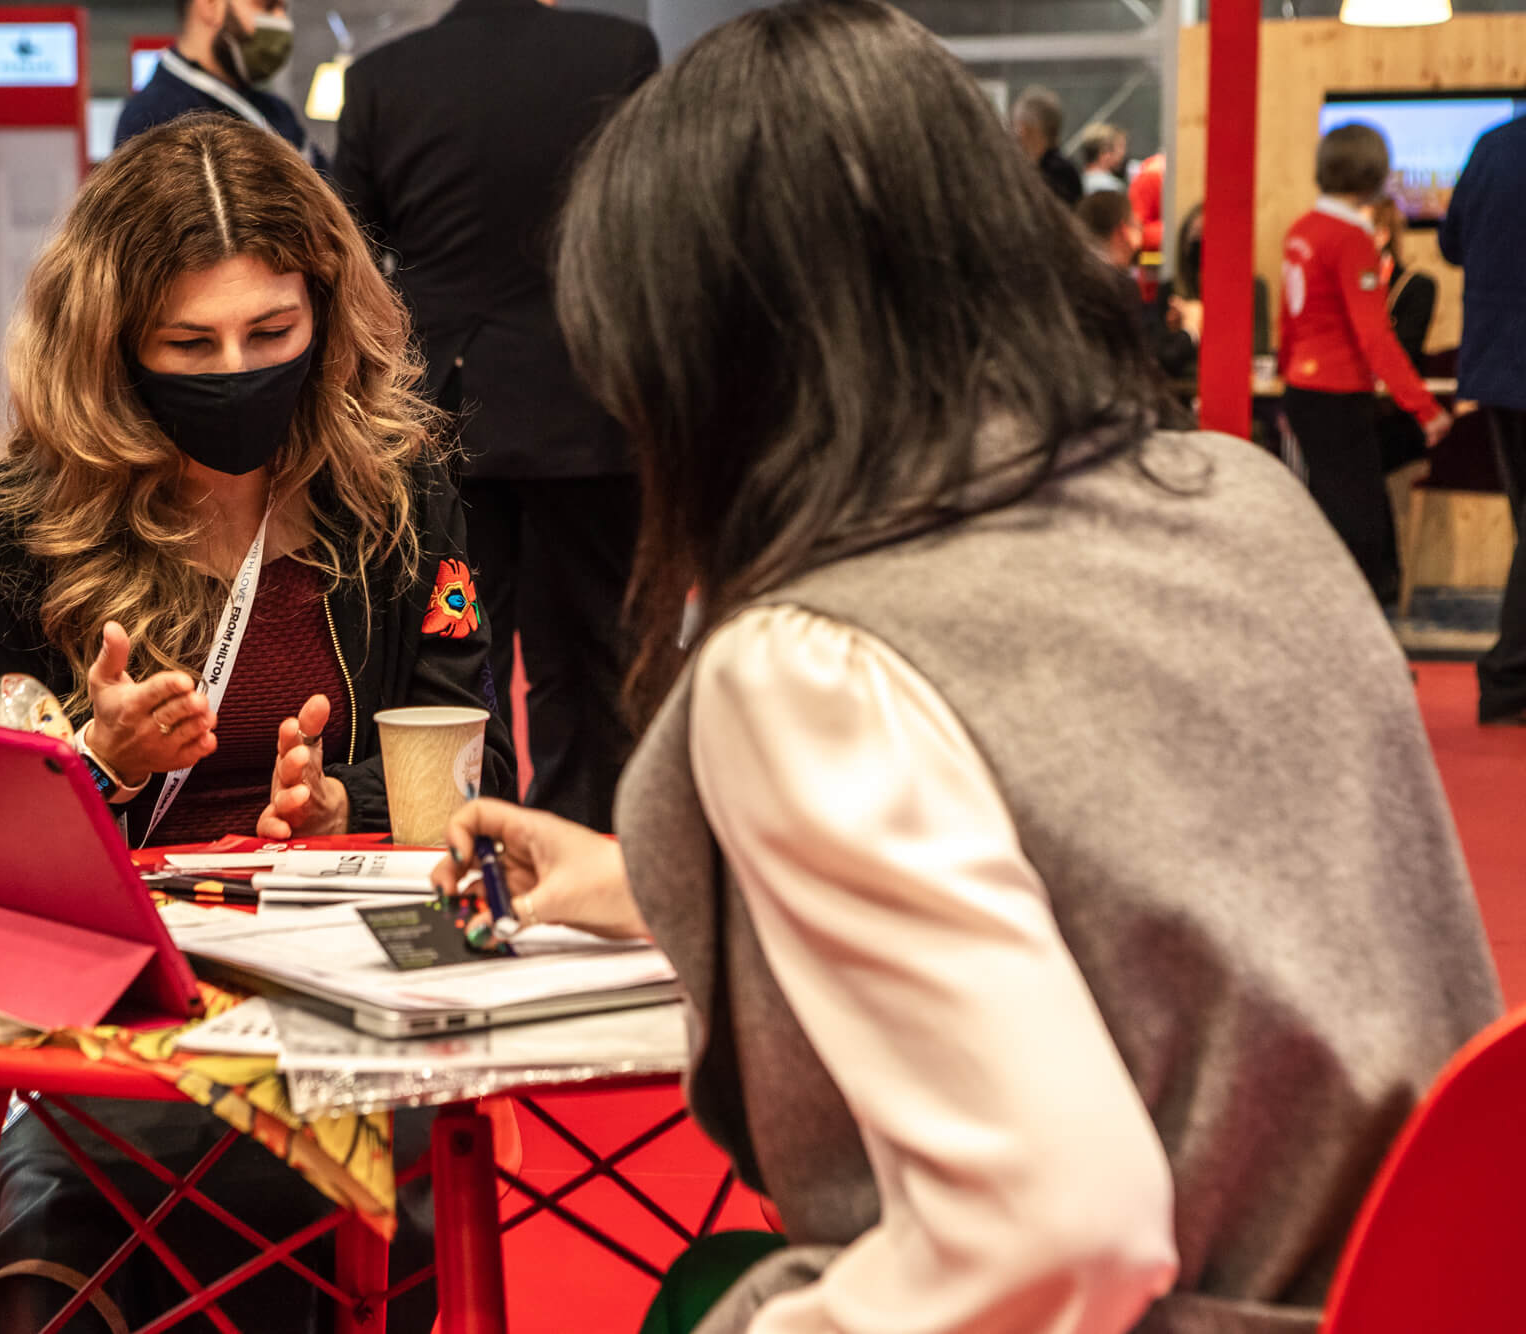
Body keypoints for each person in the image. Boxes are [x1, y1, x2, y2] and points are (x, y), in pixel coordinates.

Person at [431, 3, 1500, 1331]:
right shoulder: (1237, 497)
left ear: (707, 356)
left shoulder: (813, 654)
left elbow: (1052, 1237)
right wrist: (646, 875)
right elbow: (1130, 869)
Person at [0, 116, 513, 1333]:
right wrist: (95, 757)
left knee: (382, 1209)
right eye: (189, 343)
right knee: (56, 1254)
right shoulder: (33, 515)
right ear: (115, 344)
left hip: (346, 980)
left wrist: (343, 800)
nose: (236, 367)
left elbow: (478, 762)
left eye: (271, 333)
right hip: (114, 999)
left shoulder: (399, 490)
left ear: (325, 316)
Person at [333, 0, 659, 830]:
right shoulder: (619, 52)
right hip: (588, 406)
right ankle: (589, 845)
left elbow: (350, 258)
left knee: (453, 664)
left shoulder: (380, 81)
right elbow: (650, 226)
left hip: (447, 419)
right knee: (593, 659)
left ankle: (469, 840)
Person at [1280, 125, 1451, 610]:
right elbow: (1374, 335)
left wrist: (1289, 380)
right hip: (1338, 394)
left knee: (1334, 508)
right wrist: (1424, 408)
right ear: (1374, 172)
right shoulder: (1351, 238)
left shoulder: (1301, 230)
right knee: (1361, 525)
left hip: (1304, 391)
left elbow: (1289, 321)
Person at [1441, 111, 1526, 726]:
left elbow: (1452, 243)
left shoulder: (1493, 146)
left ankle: (1509, 680)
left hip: (1496, 362)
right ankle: (1508, 679)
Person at [112, 0, 321, 168]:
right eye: (266, 6)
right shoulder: (152, 119)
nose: (282, 21)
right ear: (210, 4)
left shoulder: (277, 111)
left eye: (283, 9)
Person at [1077, 190, 1197, 380]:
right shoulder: (1118, 286)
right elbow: (1149, 362)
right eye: (1138, 226)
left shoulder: (1072, 277)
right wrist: (1191, 331)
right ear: (1124, 232)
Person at [1370, 198, 1439, 476]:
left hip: (1394, 414)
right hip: (1348, 407)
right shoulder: (1344, 286)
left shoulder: (1416, 287)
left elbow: (1403, 353)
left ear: (1381, 235)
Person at [1013, 85, 1081, 206]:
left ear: (1026, 128)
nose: (1015, 133)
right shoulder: (1063, 169)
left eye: (1016, 125)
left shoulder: (1056, 174)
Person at [1078, 120, 1127, 196]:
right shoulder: (1113, 188)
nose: (1123, 153)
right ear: (1105, 153)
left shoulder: (1077, 183)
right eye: (1120, 147)